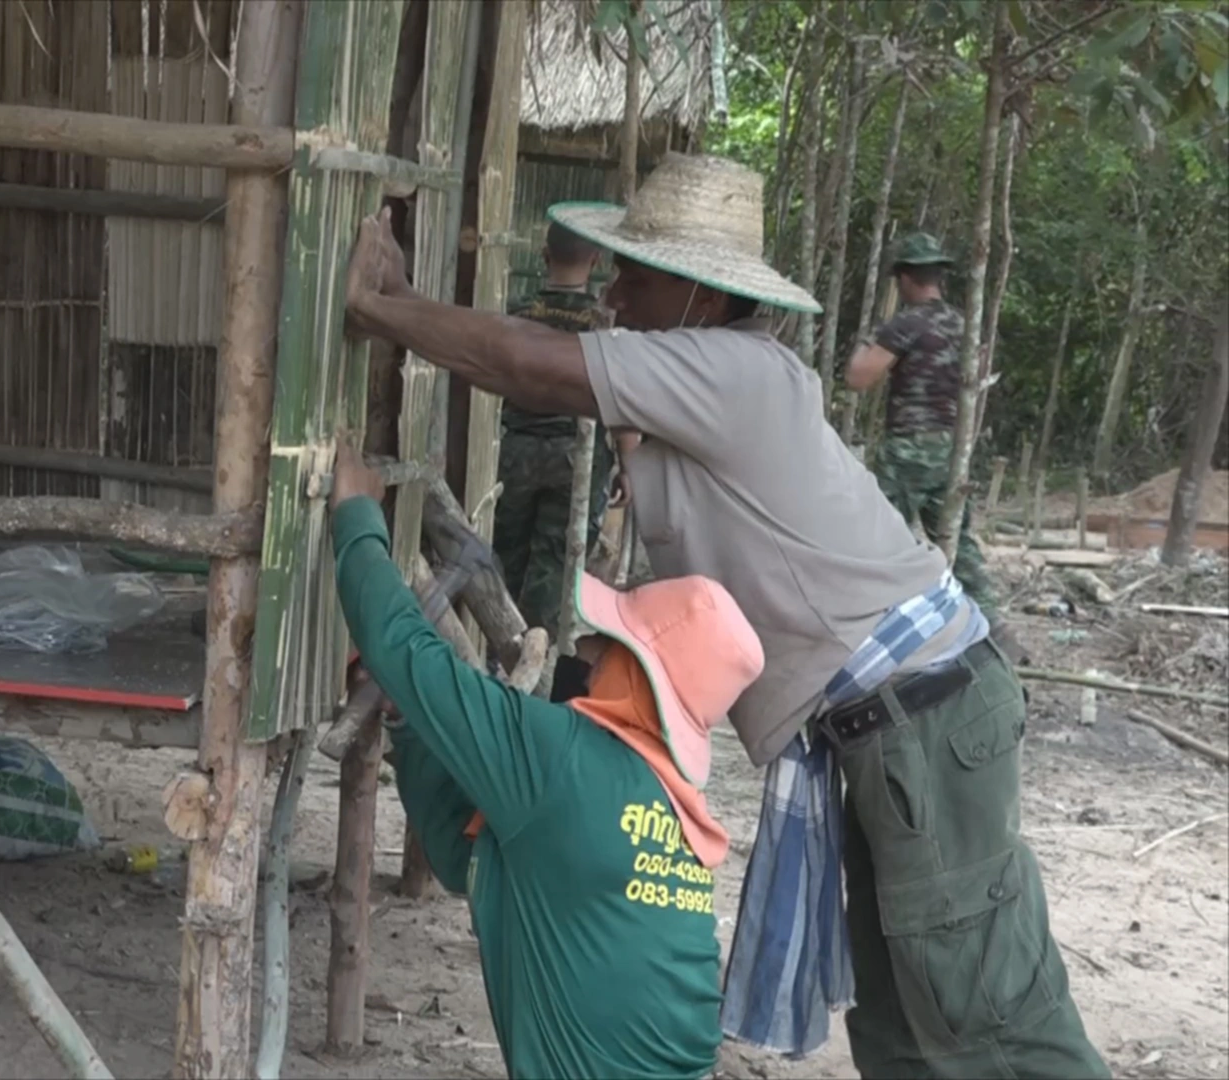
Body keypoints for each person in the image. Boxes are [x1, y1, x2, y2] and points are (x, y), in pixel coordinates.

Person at [343, 152, 1108, 1079]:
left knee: (986, 1012)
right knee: (905, 1019)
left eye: (636, 275)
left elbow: (526, 364)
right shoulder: (702, 389)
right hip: (899, 725)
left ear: (700, 296)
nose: (614, 293)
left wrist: (383, 307)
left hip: (924, 718)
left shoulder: (737, 372)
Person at [329, 436, 760, 1080]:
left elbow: (402, 647)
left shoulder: (565, 762)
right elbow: (468, 859)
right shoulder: (662, 802)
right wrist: (408, 725)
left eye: (608, 642)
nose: (584, 649)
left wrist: (356, 516)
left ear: (638, 677)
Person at [844, 232, 1020, 658]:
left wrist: (869, 338)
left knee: (874, 537)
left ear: (904, 278)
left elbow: (857, 378)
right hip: (952, 449)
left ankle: (862, 626)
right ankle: (996, 631)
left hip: (909, 447)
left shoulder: (904, 325)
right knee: (958, 541)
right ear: (939, 276)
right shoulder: (964, 326)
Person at [495, 220, 621, 700]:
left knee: (506, 555)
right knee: (556, 567)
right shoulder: (602, 323)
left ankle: (500, 649)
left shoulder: (517, 312)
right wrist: (628, 466)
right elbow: (622, 400)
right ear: (595, 261)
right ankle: (537, 667)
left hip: (516, 452)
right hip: (577, 459)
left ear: (544, 256)